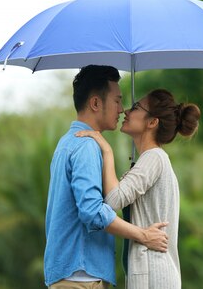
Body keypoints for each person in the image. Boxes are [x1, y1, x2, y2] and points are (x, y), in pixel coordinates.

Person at [44, 65, 169, 289]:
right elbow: (92, 212)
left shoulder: (68, 141)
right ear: (95, 103)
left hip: (72, 275)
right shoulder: (86, 146)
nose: (122, 109)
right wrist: (143, 235)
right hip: (82, 278)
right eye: (117, 100)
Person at [76, 88, 201, 289]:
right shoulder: (150, 159)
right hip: (151, 273)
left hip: (154, 275)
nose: (126, 111)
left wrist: (107, 151)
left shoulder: (154, 158)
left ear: (152, 122)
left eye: (136, 107)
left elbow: (114, 200)